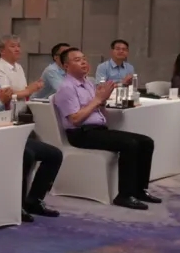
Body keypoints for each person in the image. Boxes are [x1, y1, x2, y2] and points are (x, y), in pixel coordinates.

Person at [0, 45, 63, 221]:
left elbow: (3, 113)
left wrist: (7, 104)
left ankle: (34, 200)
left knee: (54, 154)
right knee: (26, 156)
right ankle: (17, 205)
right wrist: (1, 102)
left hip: (6, 133)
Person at [52, 48, 160, 210]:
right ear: (66, 66)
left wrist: (102, 101)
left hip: (97, 129)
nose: (83, 62)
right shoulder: (66, 88)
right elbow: (75, 120)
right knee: (130, 144)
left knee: (146, 142)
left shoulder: (88, 83)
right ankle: (125, 195)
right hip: (81, 134)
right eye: (77, 60)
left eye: (84, 58)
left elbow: (97, 108)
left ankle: (140, 190)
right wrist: (97, 100)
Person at [0, 34, 44, 100]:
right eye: (13, 46)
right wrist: (29, 90)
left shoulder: (18, 66)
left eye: (18, 46)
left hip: (22, 105)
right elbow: (6, 95)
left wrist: (33, 87)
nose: (17, 49)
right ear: (1, 51)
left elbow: (22, 91)